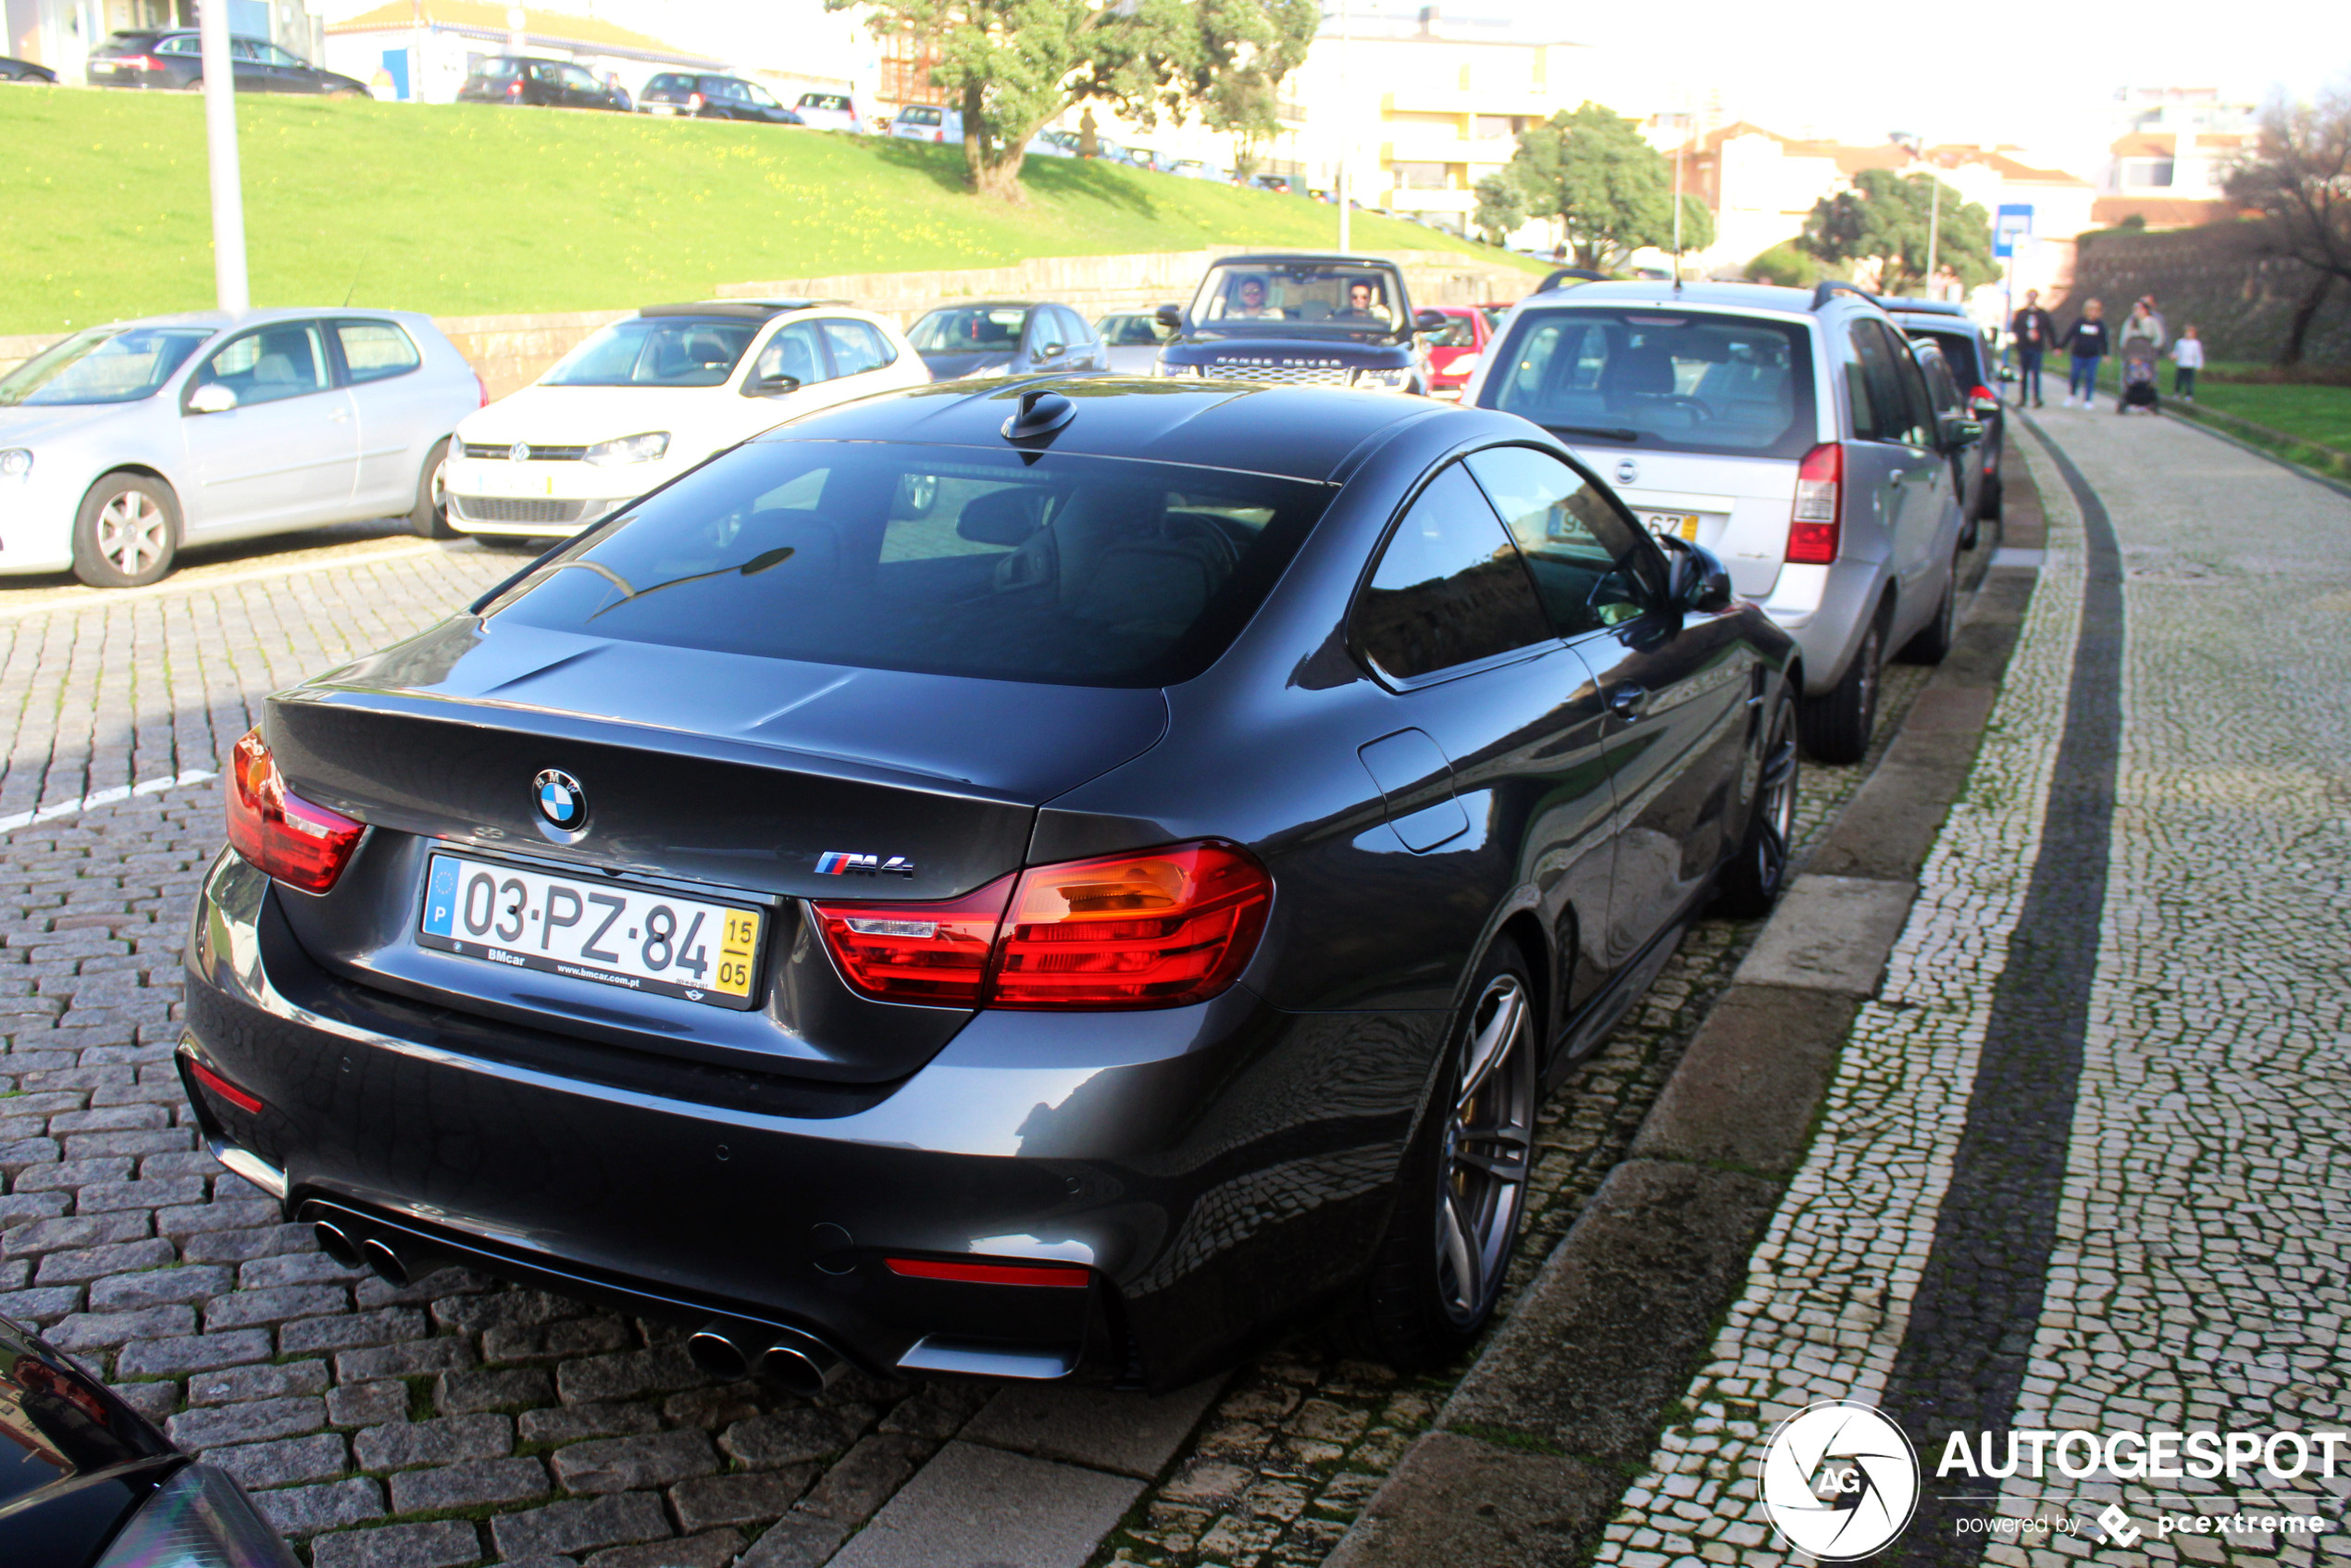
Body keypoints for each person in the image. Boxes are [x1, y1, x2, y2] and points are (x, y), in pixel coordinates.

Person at [2059, 299, 2109, 409]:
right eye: (2091, 310)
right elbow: (2069, 335)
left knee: (2090, 377)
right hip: (2078, 354)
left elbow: (2103, 340)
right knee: (2075, 375)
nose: (2093, 312)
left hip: (2093, 356)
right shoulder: (2079, 322)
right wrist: (2060, 347)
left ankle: (2088, 400)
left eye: (2095, 310)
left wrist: (2106, 354)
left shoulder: (2100, 325)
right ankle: (2071, 395)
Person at [2009, 290, 2057, 408]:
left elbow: (2050, 330)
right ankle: (2023, 398)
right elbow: (2015, 329)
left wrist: (2054, 346)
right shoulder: (2021, 314)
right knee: (2024, 374)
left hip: (2037, 348)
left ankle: (2037, 398)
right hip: (2024, 347)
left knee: (2036, 373)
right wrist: (2025, 334)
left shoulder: (2042, 314)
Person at [2170, 325, 2204, 401]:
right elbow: (2176, 352)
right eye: (2187, 332)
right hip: (2181, 364)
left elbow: (2198, 355)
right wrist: (2173, 356)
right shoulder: (2180, 342)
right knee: (2178, 381)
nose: (2188, 334)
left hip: (2190, 365)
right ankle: (2176, 393)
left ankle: (2189, 395)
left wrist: (2199, 365)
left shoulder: (2196, 343)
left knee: (2189, 382)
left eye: (2190, 333)